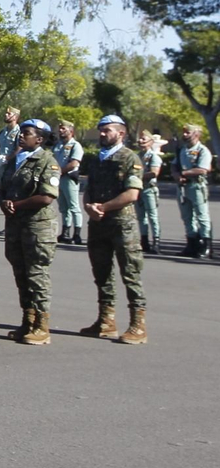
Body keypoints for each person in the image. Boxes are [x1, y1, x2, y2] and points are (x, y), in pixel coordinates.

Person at [80, 114, 148, 345]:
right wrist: (89, 206)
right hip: (98, 224)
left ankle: (138, 324)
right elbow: (88, 188)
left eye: (107, 130)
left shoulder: (130, 158)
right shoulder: (97, 159)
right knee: (102, 273)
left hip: (122, 224)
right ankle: (106, 320)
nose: (101, 133)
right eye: (100, 129)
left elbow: (132, 194)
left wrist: (103, 207)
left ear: (121, 133)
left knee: (130, 274)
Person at [0, 118, 60, 345]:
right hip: (16, 226)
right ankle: (28, 319)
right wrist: (4, 201)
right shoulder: (15, 160)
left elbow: (47, 196)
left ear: (40, 139)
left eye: (27, 133)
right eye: (21, 132)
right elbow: (3, 188)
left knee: (37, 275)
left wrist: (17, 204)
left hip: (38, 227)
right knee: (20, 274)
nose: (21, 136)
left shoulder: (47, 161)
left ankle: (42, 325)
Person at [174, 124, 212, 257]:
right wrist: (177, 176)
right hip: (183, 187)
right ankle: (192, 244)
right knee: (187, 217)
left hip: (197, 186)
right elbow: (174, 166)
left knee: (202, 216)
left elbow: (203, 169)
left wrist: (184, 173)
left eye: (187, 132)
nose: (184, 135)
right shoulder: (181, 149)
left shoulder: (202, 150)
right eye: (183, 132)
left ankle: (206, 246)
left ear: (196, 134)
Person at [54, 121, 85, 245]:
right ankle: (65, 232)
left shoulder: (75, 145)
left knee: (74, 207)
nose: (61, 130)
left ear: (71, 131)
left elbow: (74, 163)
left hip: (68, 178)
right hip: (59, 179)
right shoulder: (58, 145)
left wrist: (60, 172)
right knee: (63, 207)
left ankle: (77, 234)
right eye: (60, 128)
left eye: (63, 129)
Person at [136, 131, 163, 254]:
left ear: (151, 142)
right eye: (140, 140)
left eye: (143, 139)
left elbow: (154, 172)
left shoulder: (153, 156)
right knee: (141, 217)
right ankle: (144, 240)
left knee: (152, 216)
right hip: (139, 189)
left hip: (149, 189)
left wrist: (137, 176)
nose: (140, 141)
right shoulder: (137, 156)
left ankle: (156, 242)